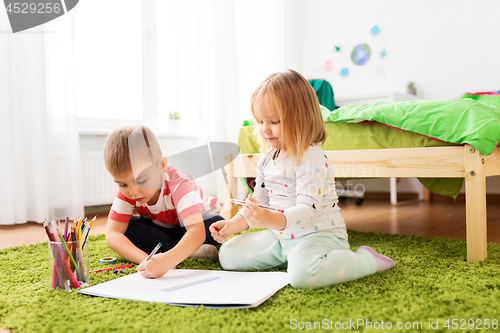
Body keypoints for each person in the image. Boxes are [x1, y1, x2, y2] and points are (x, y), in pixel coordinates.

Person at [209, 69, 395, 289]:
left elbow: (308, 212)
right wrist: (233, 225)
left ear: (301, 119)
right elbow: (257, 203)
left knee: (303, 277)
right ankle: (293, 258)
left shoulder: (311, 157)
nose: (265, 129)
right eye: (260, 121)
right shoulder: (267, 159)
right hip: (282, 237)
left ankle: (366, 260)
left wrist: (267, 220)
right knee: (227, 256)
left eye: (274, 121)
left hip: (318, 236)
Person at [103, 126, 223, 278]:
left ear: (161, 165)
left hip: (192, 226)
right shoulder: (128, 191)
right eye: (122, 184)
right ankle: (189, 251)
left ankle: (179, 249)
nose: (133, 192)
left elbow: (196, 231)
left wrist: (166, 261)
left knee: (216, 224)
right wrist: (146, 260)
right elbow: (112, 234)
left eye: (141, 180)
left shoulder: (180, 182)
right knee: (127, 227)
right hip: (162, 230)